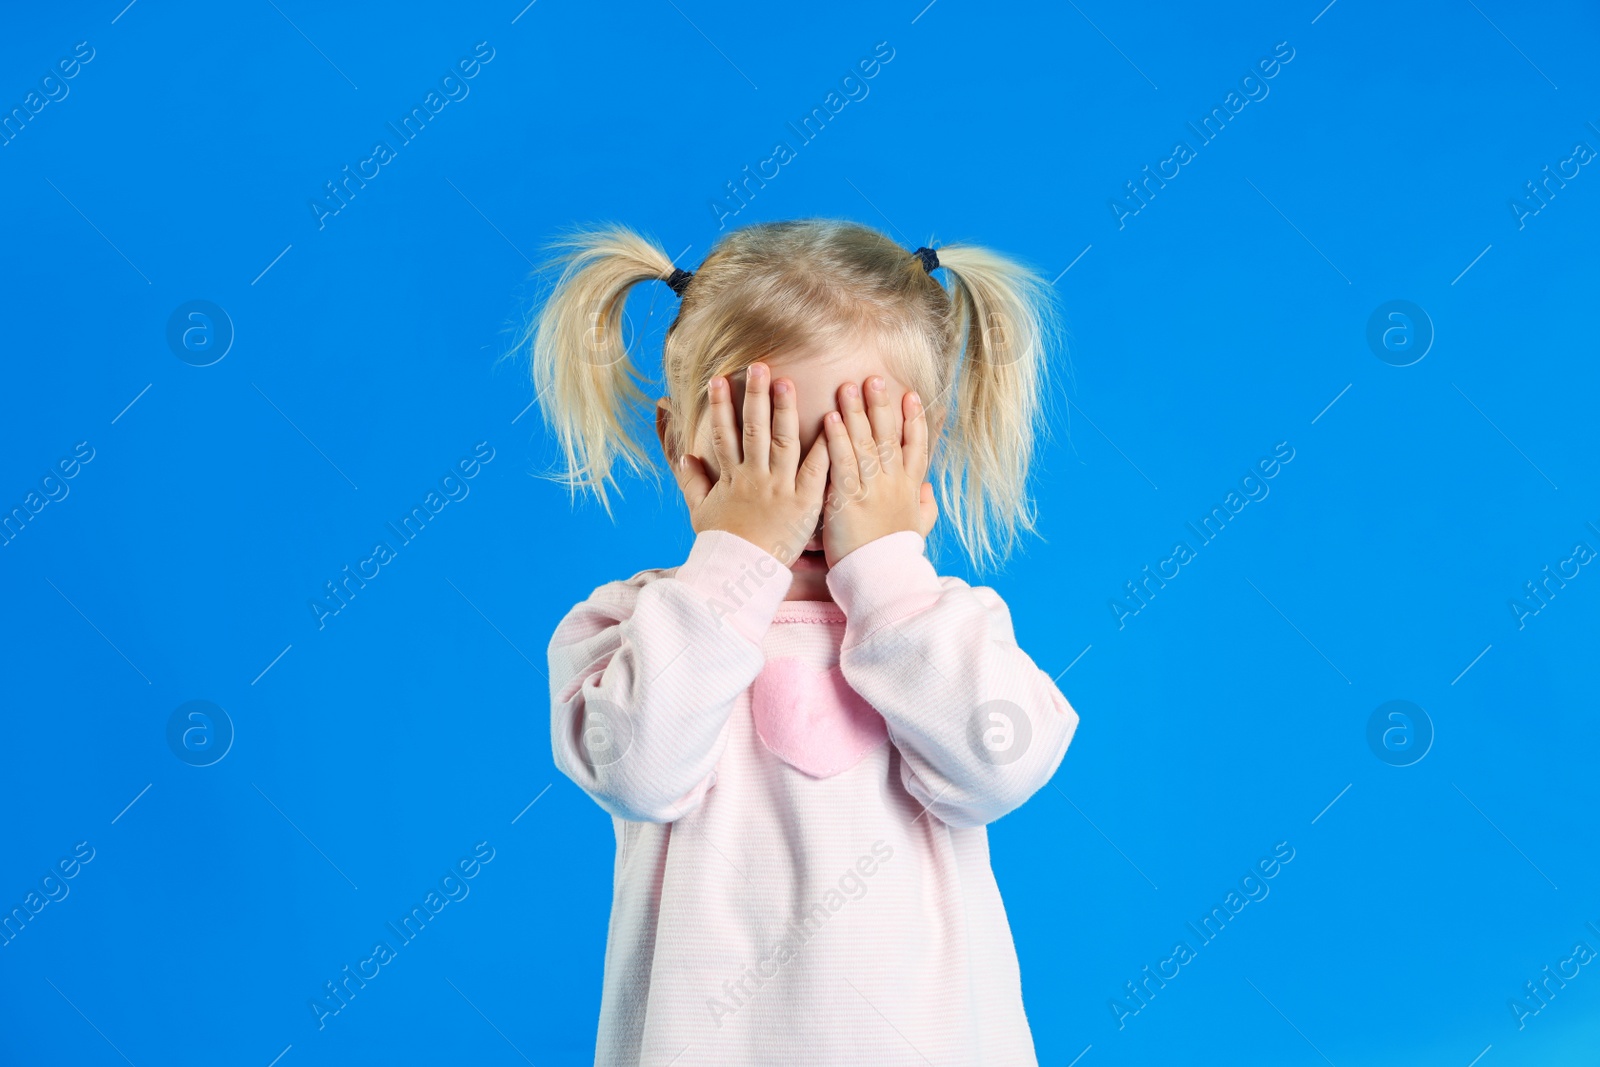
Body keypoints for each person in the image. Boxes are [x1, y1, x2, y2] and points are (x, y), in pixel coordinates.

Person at [524, 218, 1080, 1066]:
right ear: (682, 443)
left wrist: (888, 572)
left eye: (857, 450)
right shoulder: (631, 627)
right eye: (768, 448)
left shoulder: (947, 625)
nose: (814, 491)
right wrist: (737, 558)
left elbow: (997, 771)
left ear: (920, 448)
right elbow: (638, 767)